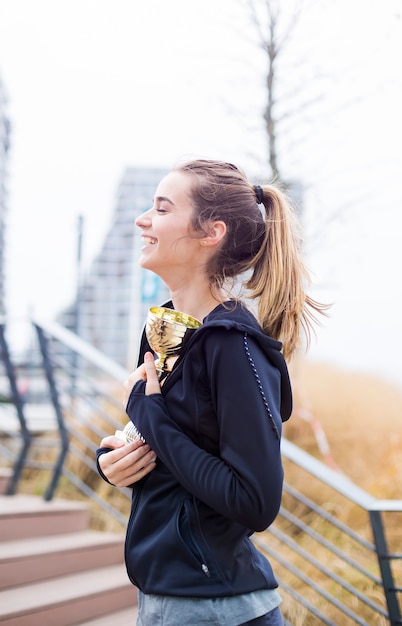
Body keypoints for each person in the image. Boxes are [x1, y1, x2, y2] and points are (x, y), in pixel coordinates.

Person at [96, 159, 325, 626]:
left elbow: (255, 502)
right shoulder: (163, 328)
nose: (143, 219)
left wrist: (149, 412)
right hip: (167, 595)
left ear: (211, 232)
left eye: (161, 209)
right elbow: (173, 450)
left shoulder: (232, 345)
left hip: (216, 609)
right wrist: (116, 462)